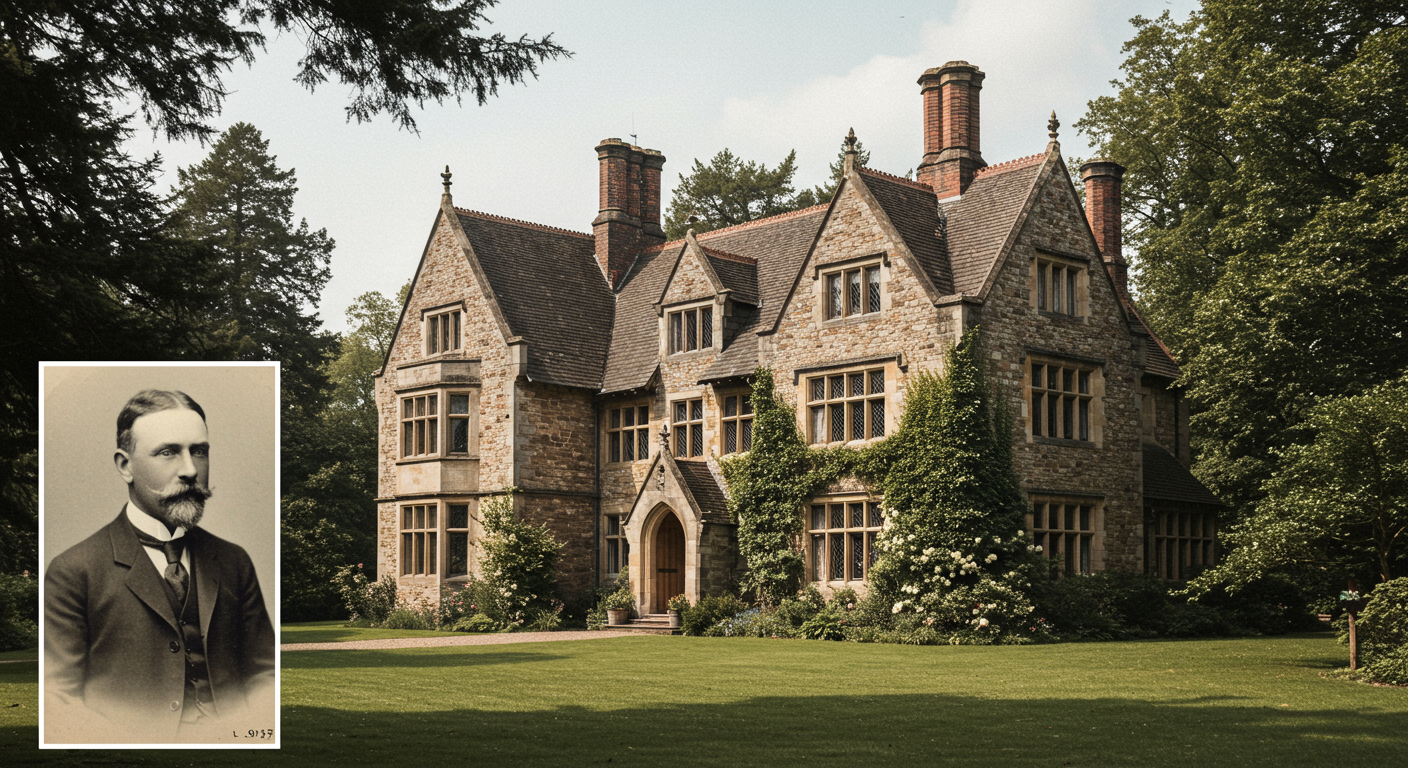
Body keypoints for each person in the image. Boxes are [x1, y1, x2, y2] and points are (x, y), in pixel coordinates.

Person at [44, 389, 274, 743]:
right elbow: (60, 699)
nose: (190, 470)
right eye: (168, 452)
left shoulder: (233, 560)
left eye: (199, 451)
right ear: (125, 466)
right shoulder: (75, 571)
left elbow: (264, 674)